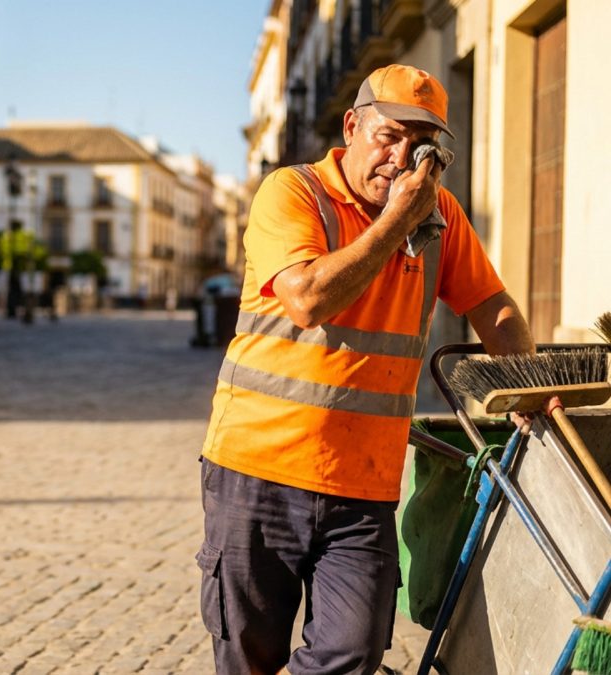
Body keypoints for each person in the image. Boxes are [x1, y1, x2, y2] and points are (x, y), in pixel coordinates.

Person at [196, 64, 535, 674]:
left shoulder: (442, 217)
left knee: (353, 652)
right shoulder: (293, 192)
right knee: (250, 656)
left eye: (422, 144)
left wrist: (536, 391)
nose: (403, 157)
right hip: (257, 470)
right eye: (390, 136)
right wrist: (397, 222)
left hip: (364, 487)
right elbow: (308, 299)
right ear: (352, 126)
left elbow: (495, 307)